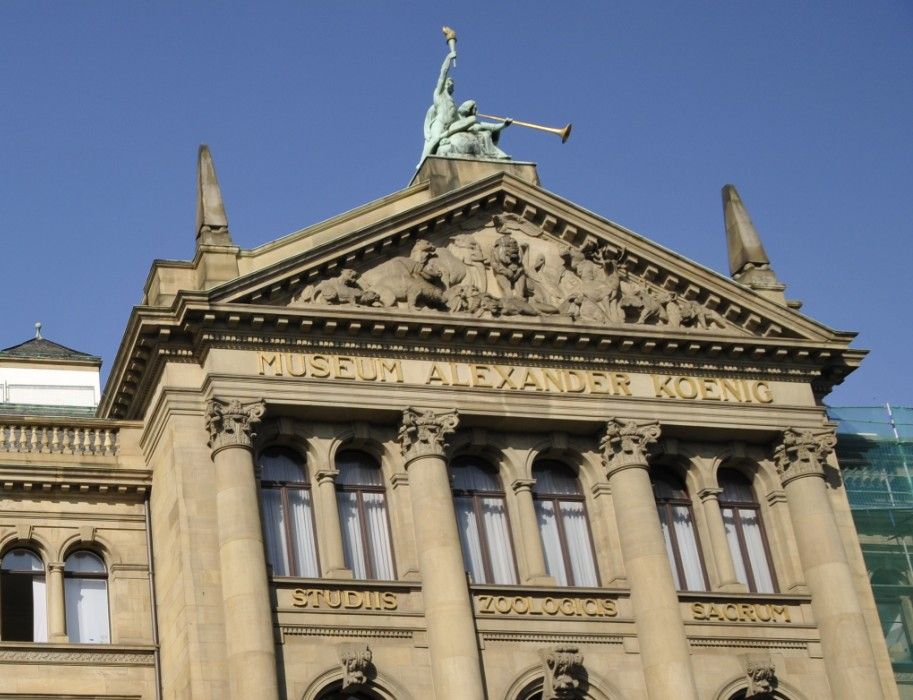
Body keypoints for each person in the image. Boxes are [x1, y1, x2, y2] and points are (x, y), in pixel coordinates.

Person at [436, 100, 512, 160]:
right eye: (475, 108)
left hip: (477, 144)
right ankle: (494, 154)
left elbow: (493, 127)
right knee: (485, 134)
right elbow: (450, 131)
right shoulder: (458, 122)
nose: (476, 110)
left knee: (486, 133)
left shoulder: (477, 123)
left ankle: (496, 154)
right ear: (469, 109)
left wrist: (504, 124)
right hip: (468, 142)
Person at [420, 51, 459, 163]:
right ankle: (423, 162)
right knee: (434, 140)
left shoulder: (453, 104)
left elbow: (458, 119)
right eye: (450, 82)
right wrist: (448, 58)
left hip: (449, 127)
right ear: (446, 84)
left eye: (452, 83)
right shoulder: (439, 95)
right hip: (440, 123)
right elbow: (443, 73)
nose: (452, 84)